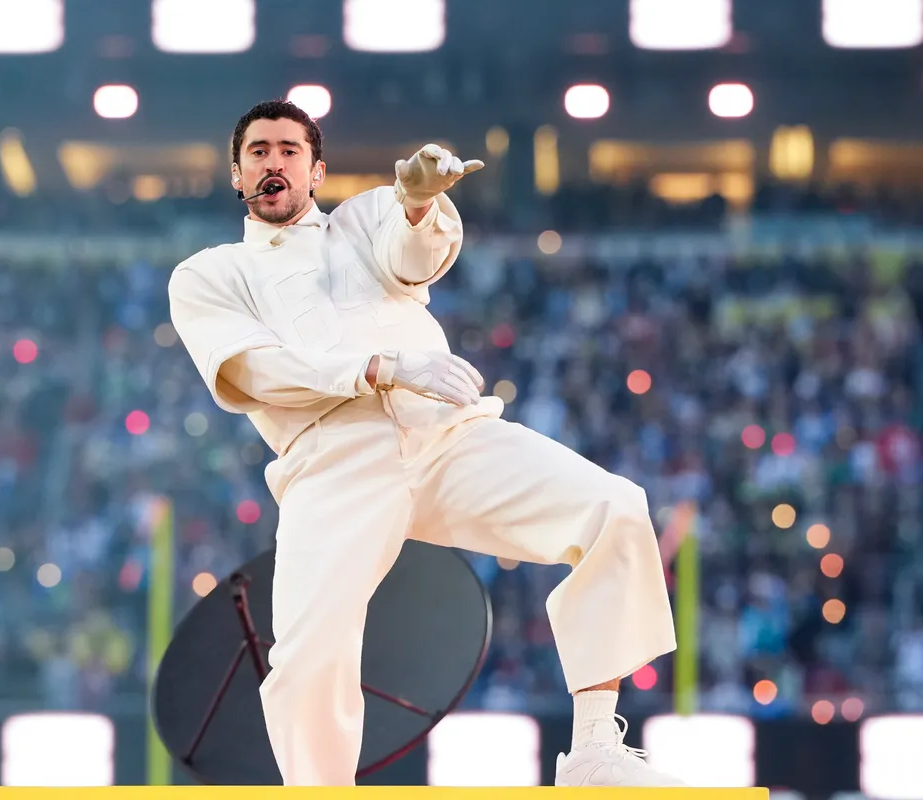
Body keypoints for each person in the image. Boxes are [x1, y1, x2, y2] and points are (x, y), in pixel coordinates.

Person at [168, 99, 683, 787]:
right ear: (237, 174)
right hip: (334, 459)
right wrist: (377, 367)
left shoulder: (363, 218)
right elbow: (254, 370)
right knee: (307, 655)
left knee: (613, 507)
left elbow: (414, 259)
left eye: (290, 150)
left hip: (444, 433)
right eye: (258, 151)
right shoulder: (209, 274)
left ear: (316, 171)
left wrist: (415, 205)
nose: (274, 162)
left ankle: (593, 748)